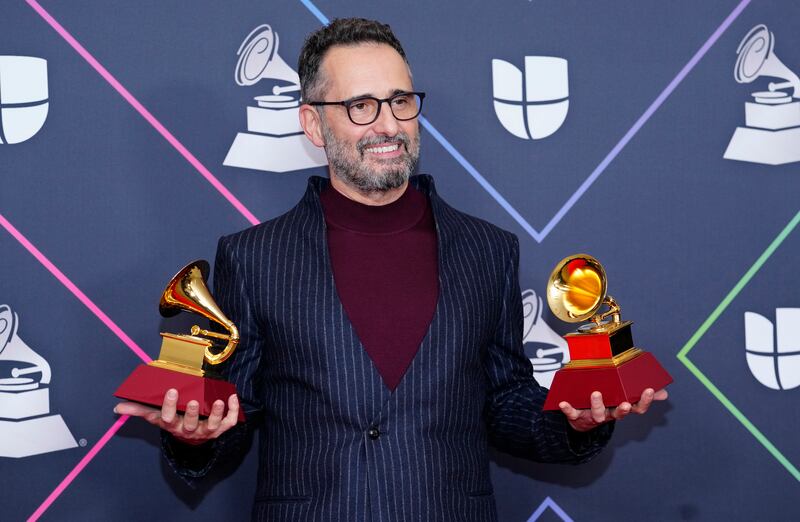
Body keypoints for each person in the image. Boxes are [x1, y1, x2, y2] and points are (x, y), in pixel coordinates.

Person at [116, 18, 667, 521]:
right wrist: (195, 436)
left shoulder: (488, 250)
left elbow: (504, 404)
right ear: (313, 123)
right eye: (361, 105)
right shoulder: (253, 257)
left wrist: (574, 420)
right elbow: (235, 414)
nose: (388, 124)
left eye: (400, 100)